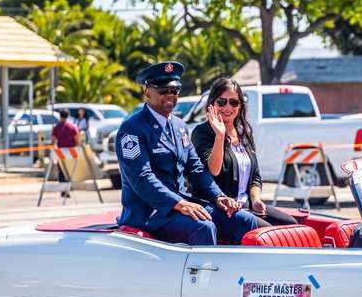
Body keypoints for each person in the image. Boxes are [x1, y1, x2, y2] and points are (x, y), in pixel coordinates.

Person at [116, 61, 256, 246]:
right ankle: (207, 275)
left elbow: (196, 169)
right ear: (148, 92)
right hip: (150, 213)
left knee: (245, 221)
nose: (170, 95)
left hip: (180, 207)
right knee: (203, 226)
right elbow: (142, 179)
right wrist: (180, 204)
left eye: (174, 91)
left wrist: (219, 197)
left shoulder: (179, 126)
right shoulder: (132, 129)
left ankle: (233, 274)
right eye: (163, 90)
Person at [193, 77, 296, 228]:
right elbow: (213, 170)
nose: (228, 107)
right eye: (222, 102)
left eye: (234, 102)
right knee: (267, 232)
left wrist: (255, 200)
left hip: (245, 204)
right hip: (219, 206)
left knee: (291, 225)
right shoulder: (202, 132)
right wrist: (220, 136)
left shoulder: (244, 133)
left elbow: (255, 176)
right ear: (212, 105)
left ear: (240, 105)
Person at [50, 109, 81, 196]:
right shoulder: (72, 126)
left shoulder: (56, 127)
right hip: (71, 153)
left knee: (61, 173)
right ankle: (67, 189)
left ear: (60, 116)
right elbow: (77, 140)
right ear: (68, 116)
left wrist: (51, 152)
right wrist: (76, 150)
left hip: (60, 153)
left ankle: (63, 191)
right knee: (69, 172)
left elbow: (53, 140)